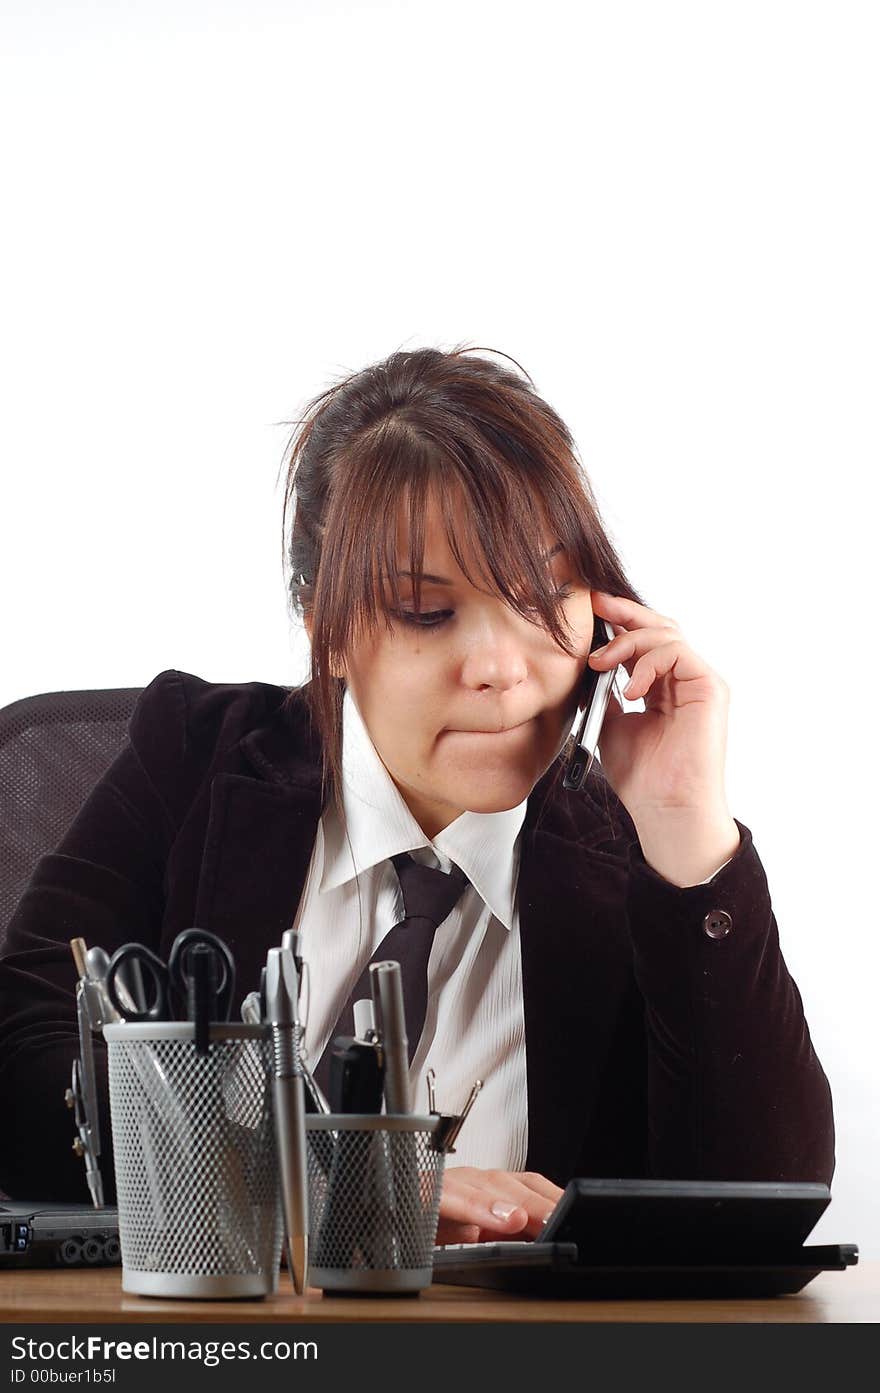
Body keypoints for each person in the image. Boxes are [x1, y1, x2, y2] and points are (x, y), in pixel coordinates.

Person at [0, 343, 834, 1246]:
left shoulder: (635, 856)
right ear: (326, 629)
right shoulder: (197, 758)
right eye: (427, 613)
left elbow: (761, 1204)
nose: (501, 670)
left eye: (541, 597)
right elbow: (20, 1064)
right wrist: (337, 1180)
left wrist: (690, 839)